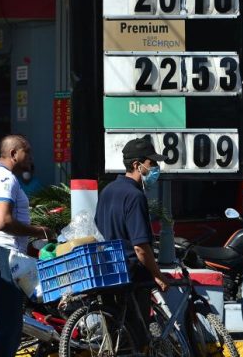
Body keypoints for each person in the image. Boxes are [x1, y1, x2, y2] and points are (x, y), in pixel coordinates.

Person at [0, 135, 54, 357]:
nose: (30, 157)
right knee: (8, 328)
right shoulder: (5, 180)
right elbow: (3, 222)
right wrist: (40, 231)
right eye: (26, 151)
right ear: (13, 154)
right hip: (3, 255)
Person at [94, 137, 170, 340]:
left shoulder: (107, 191)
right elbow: (140, 248)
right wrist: (157, 274)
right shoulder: (135, 196)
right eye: (152, 163)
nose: (156, 168)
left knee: (117, 335)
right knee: (139, 336)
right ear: (137, 165)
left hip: (109, 270)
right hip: (131, 273)